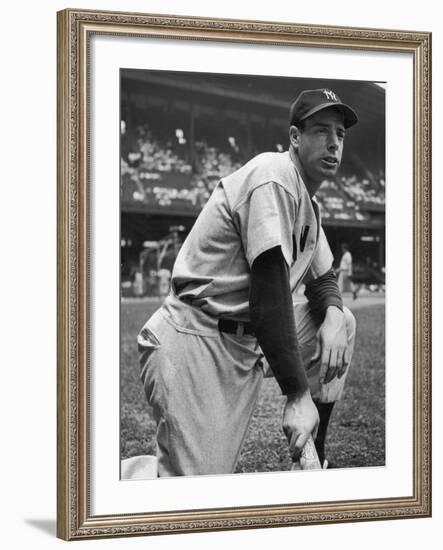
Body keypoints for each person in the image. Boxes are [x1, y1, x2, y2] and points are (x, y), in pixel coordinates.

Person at [137, 88, 358, 477]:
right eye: (322, 131)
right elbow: (270, 290)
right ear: (294, 137)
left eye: (340, 134)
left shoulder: (308, 202)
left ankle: (313, 461)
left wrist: (336, 315)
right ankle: (107, 487)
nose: (334, 143)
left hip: (244, 343)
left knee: (344, 324)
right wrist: (297, 395)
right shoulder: (273, 176)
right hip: (196, 341)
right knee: (194, 495)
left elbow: (324, 280)